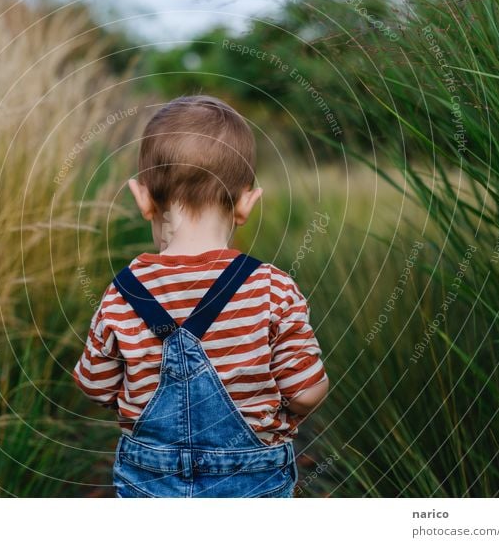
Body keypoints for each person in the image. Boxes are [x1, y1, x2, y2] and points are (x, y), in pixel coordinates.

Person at [73, 94, 330, 497]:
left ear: (143, 198)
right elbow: (306, 391)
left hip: (150, 477)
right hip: (252, 477)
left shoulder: (121, 294)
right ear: (246, 202)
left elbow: (94, 385)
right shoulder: (273, 289)